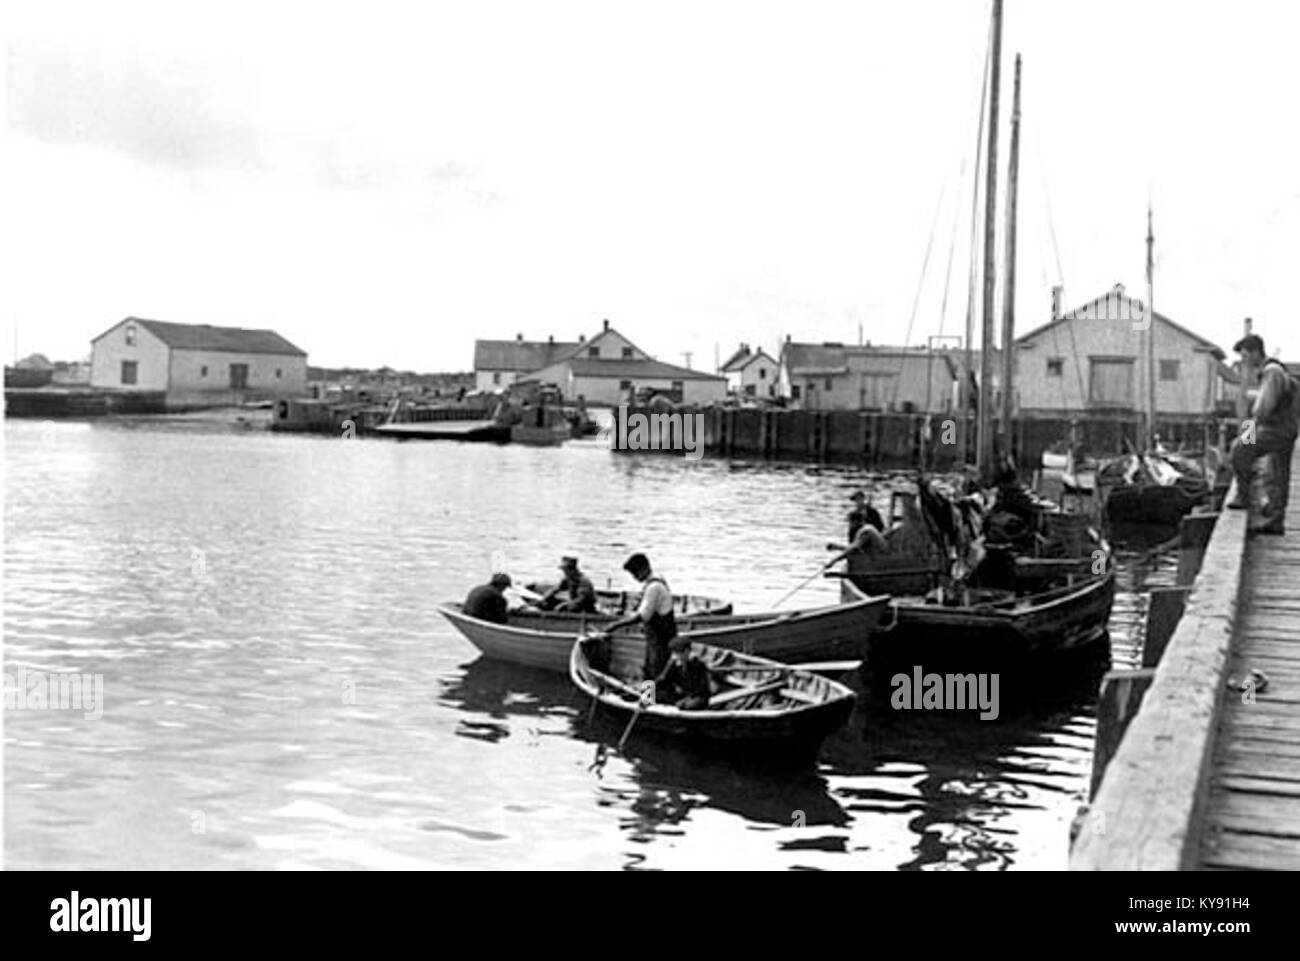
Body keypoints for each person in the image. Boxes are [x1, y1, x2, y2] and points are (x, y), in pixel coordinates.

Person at [1228, 334, 1299, 534]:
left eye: (1245, 355)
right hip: (1285, 429)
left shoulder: (1271, 372)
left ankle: (1244, 497)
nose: (1244, 360)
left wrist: (1246, 436)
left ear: (1255, 352)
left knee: (1239, 450)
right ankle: (1276, 520)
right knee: (1278, 474)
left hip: (1277, 430)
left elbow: (1262, 409)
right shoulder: (1271, 371)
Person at [595, 553, 677, 681]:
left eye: (635, 574)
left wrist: (615, 625)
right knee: (649, 670)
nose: (634, 578)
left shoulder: (654, 587)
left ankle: (653, 699)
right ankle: (646, 699)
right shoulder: (656, 580)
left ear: (644, 569)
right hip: (657, 637)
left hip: (661, 638)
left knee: (656, 672)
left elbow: (642, 616)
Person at [653, 636, 712, 710]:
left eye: (679, 653)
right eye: (675, 653)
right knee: (656, 695)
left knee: (690, 705)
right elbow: (663, 680)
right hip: (681, 696)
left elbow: (702, 690)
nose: (677, 656)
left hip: (696, 697)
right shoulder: (675, 664)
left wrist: (688, 698)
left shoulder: (697, 665)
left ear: (687, 651)